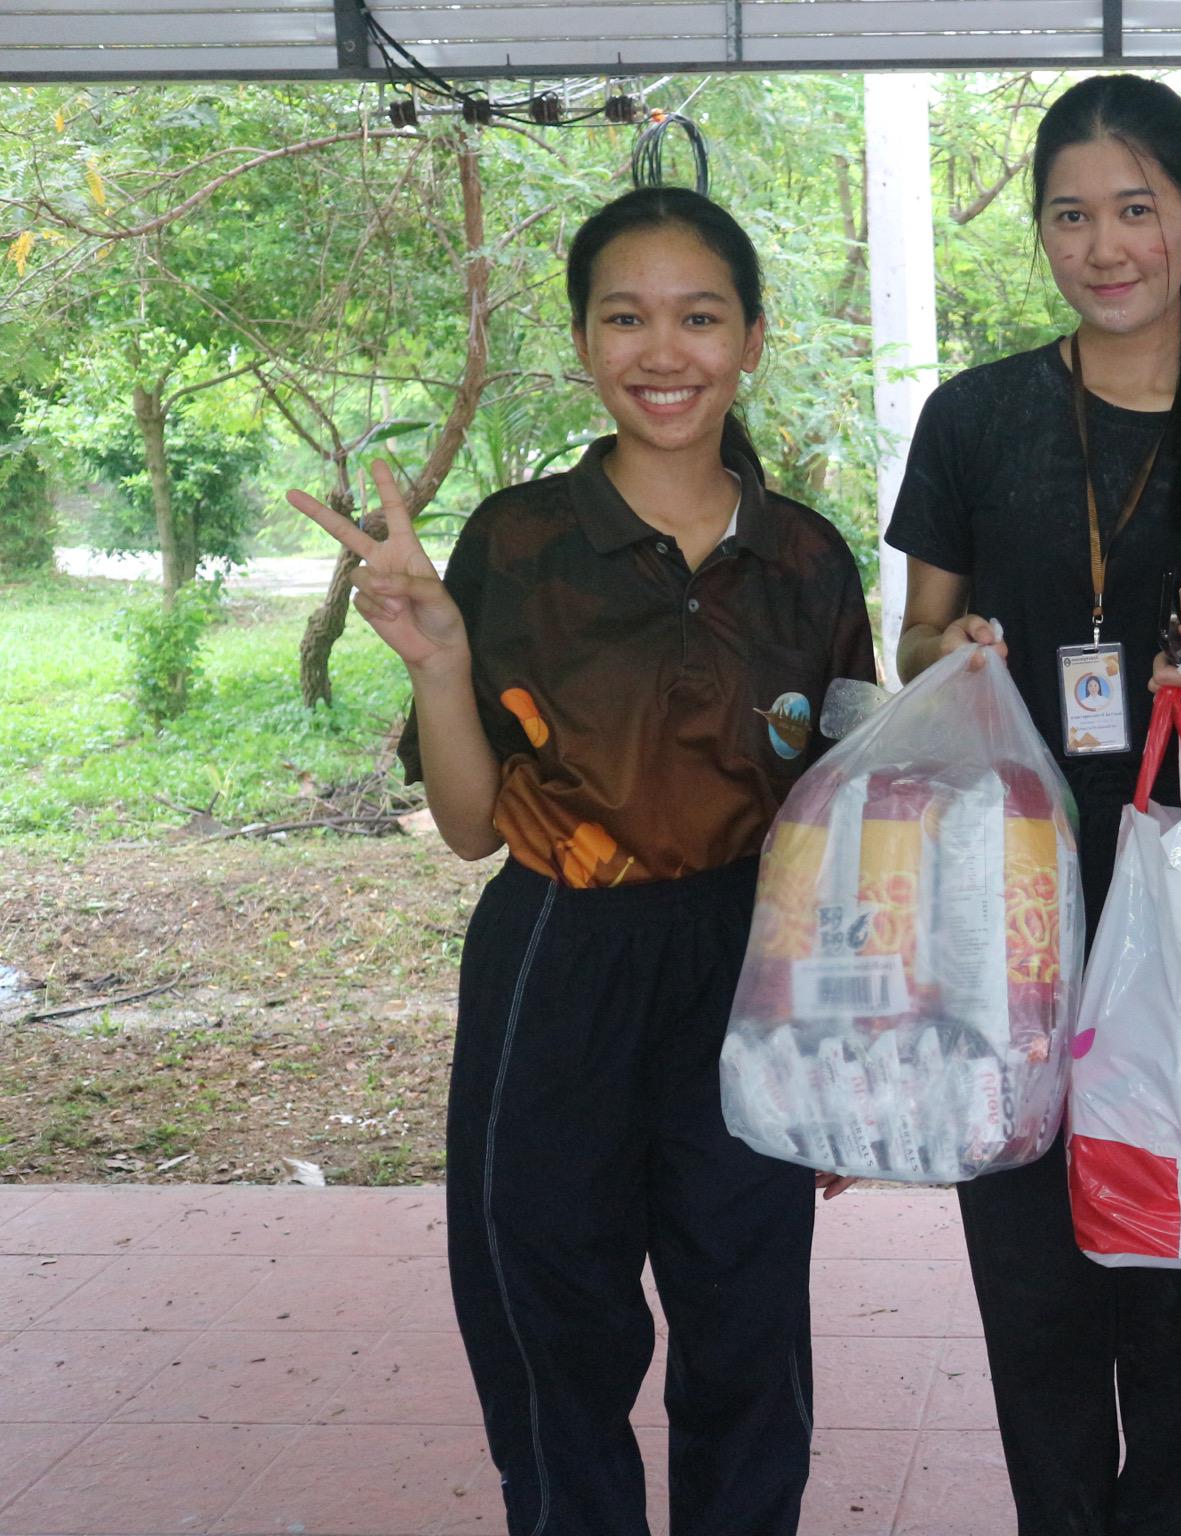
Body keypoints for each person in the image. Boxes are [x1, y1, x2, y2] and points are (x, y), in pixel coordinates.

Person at [288, 185, 875, 1534]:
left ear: (754, 340)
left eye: (698, 317)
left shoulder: (805, 561)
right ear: (580, 340)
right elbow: (468, 821)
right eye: (626, 317)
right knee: (552, 1314)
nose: (661, 352)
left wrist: (832, 1044)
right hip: (560, 956)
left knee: (748, 1324)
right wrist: (441, 663)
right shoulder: (521, 541)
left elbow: (836, 823)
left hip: (746, 968)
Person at [885, 73, 1181, 1536]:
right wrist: (947, 657)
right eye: (1070, 216)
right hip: (1012, 878)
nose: (1104, 245)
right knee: (1035, 1277)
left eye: (1136, 209)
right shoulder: (975, 418)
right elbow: (913, 642)